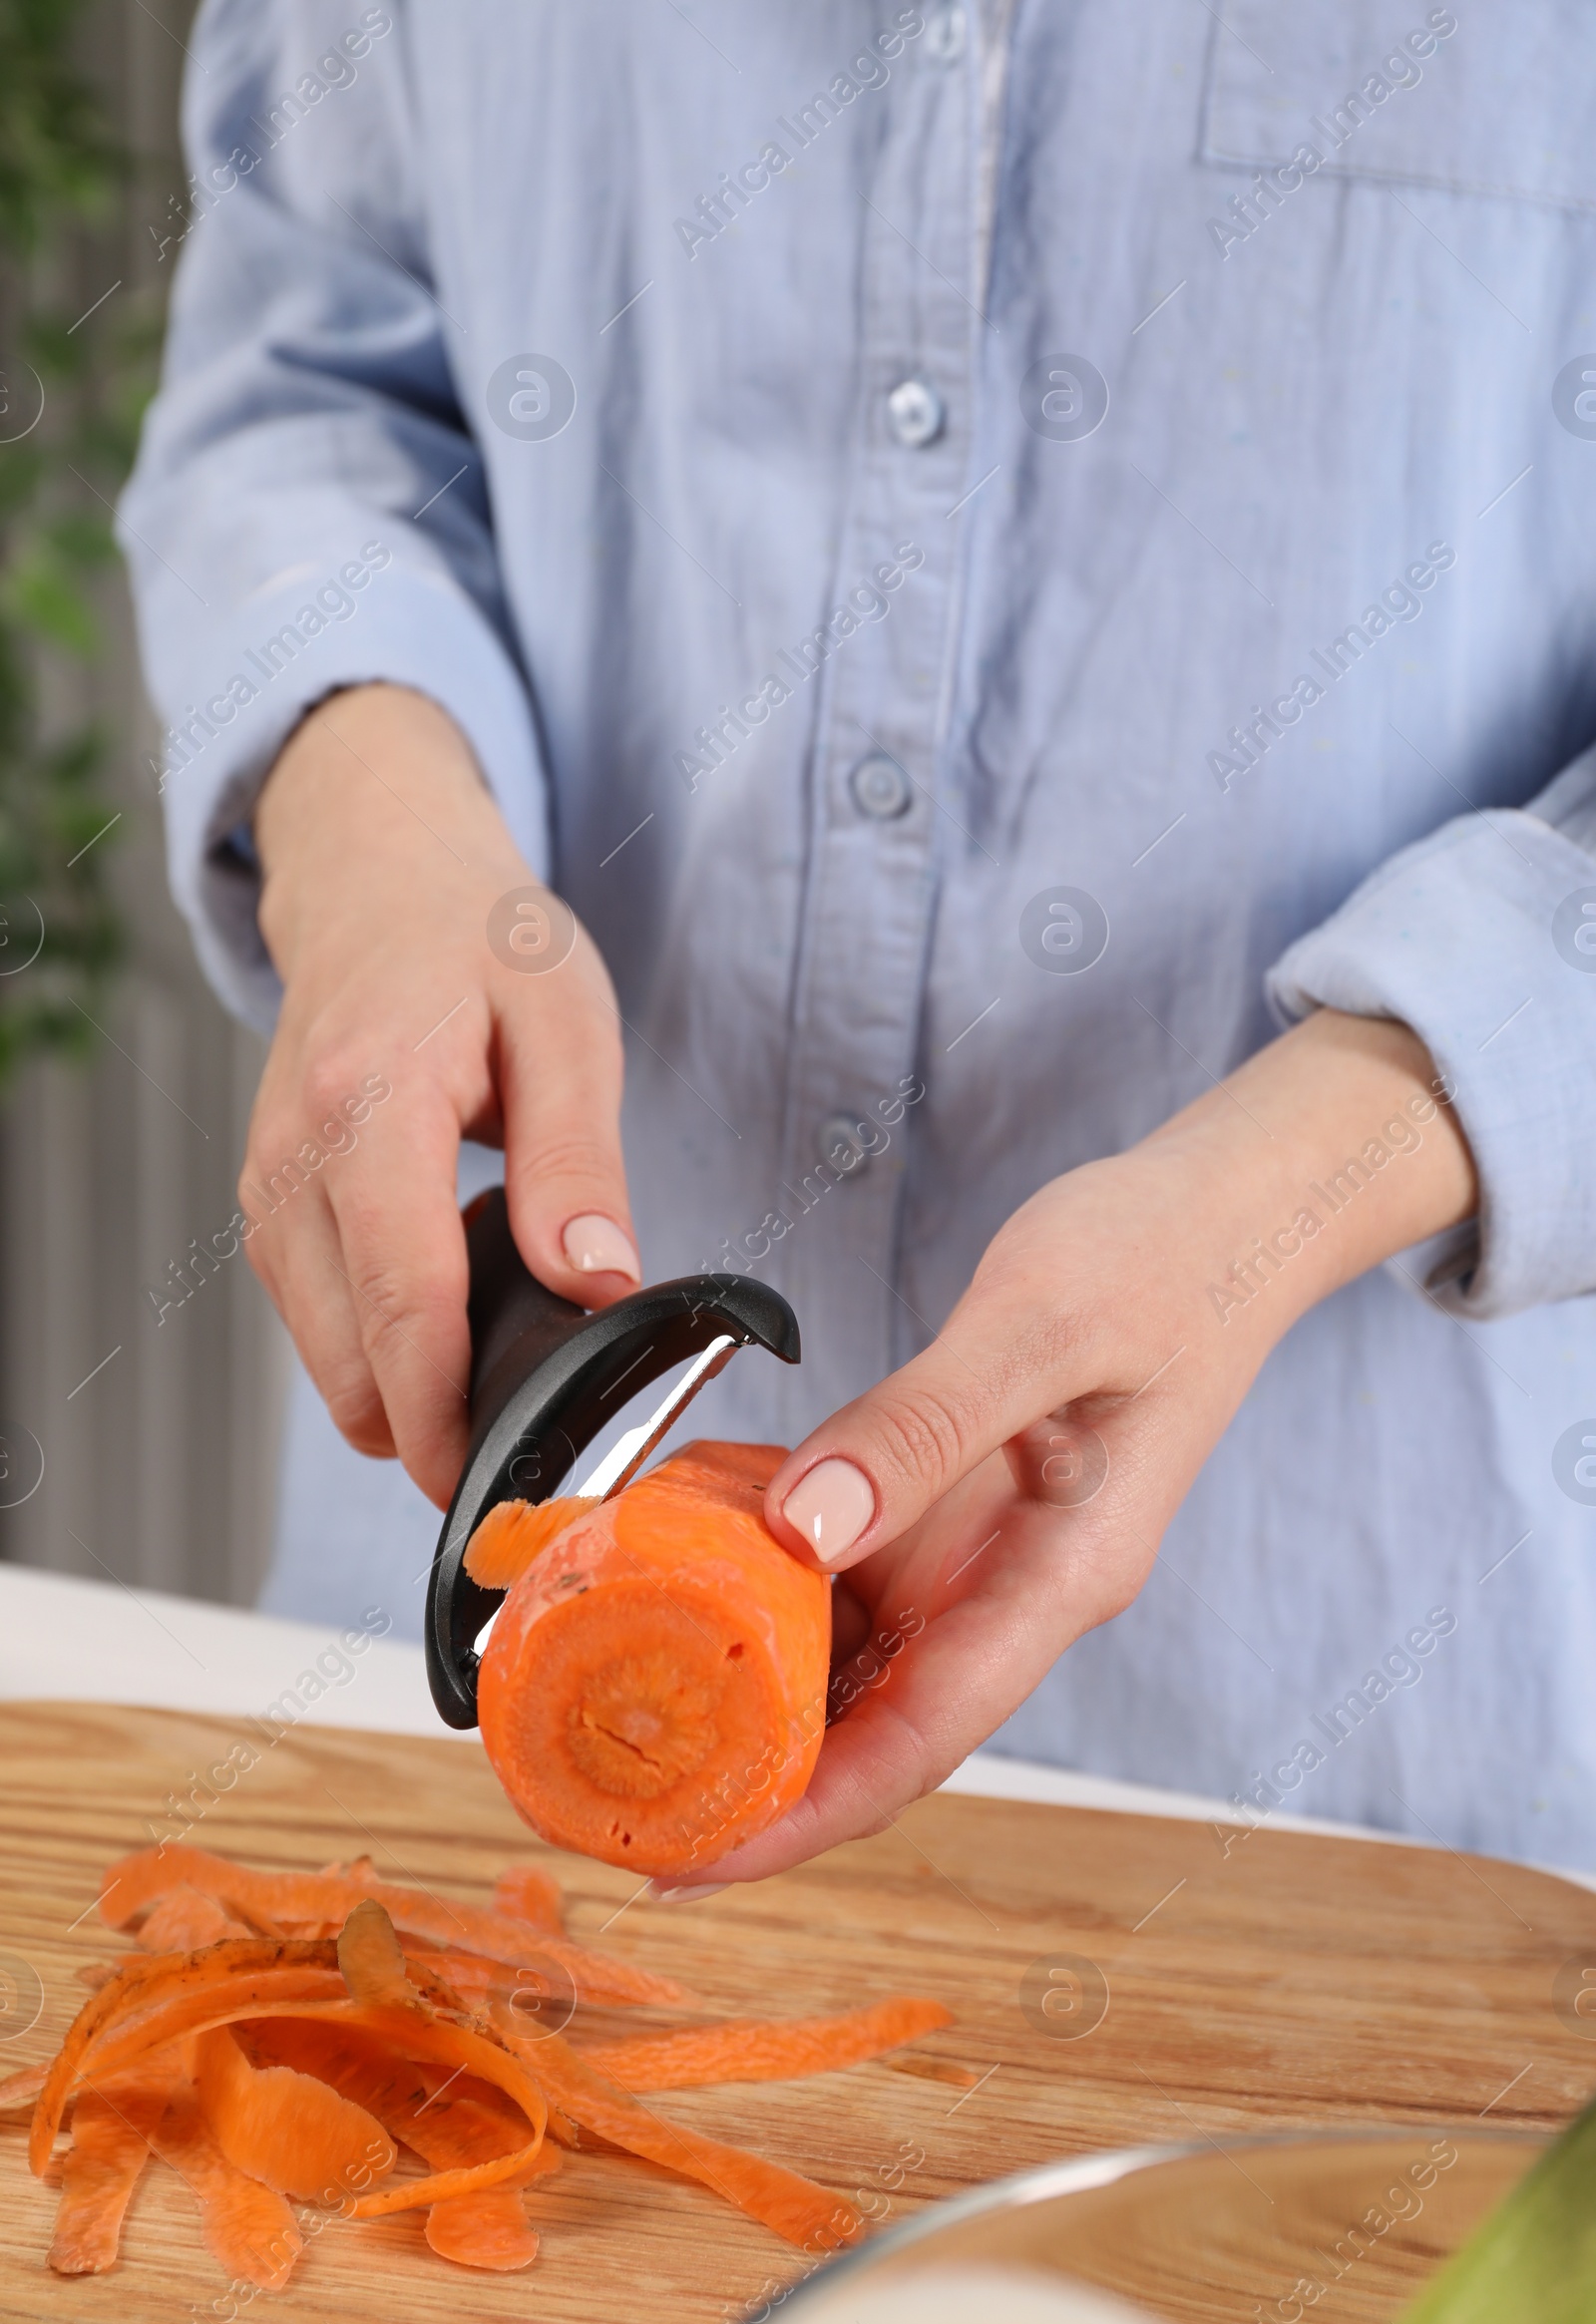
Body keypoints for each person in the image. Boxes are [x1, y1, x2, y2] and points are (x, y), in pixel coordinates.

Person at [123, 0, 1596, 1887]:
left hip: (1372, 1756)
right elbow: (304, 365)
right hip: (514, 1694)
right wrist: (368, 822)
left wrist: (1305, 1181)